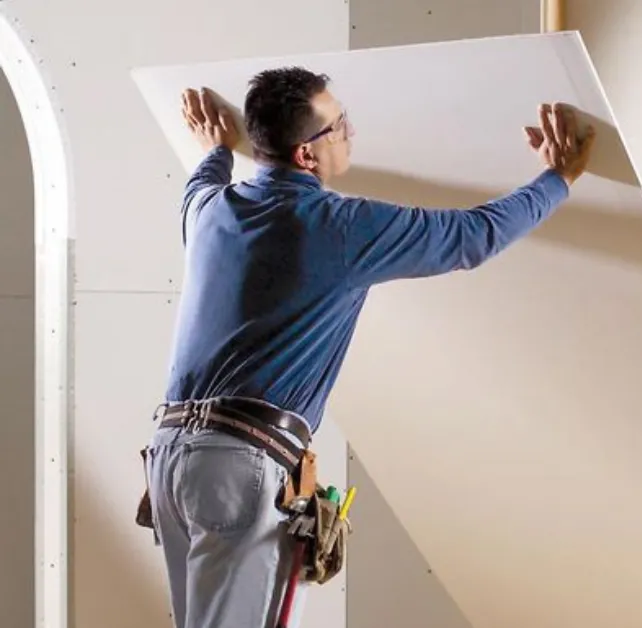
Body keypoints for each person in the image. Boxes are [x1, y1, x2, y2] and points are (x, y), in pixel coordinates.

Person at [140, 66, 595, 628]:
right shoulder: (339, 227)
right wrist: (559, 178)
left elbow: (201, 182)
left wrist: (216, 150)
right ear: (306, 155)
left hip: (170, 462)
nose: (351, 133)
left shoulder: (209, 211)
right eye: (340, 125)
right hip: (241, 470)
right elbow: (473, 236)